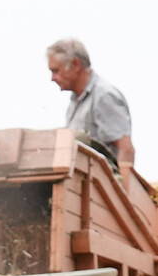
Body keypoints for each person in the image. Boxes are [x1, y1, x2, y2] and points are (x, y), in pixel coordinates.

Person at [46, 38, 134, 174]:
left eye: (56, 71)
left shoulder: (104, 96)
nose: (52, 78)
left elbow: (125, 149)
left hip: (102, 188)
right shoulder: (76, 101)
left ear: (76, 65)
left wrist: (121, 191)